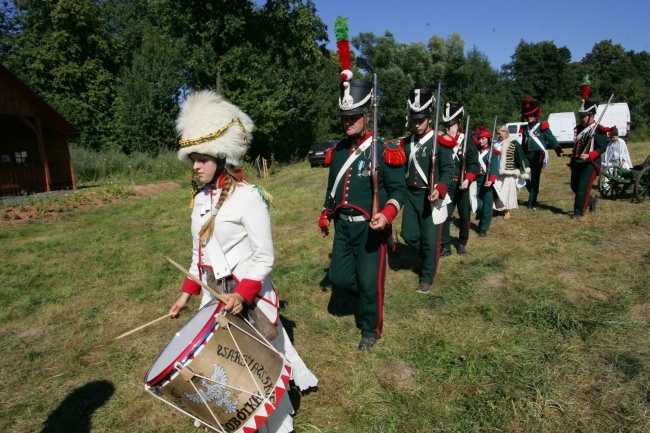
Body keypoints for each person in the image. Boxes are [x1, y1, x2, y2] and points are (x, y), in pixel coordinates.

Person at [168, 90, 317, 432]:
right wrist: (186, 294)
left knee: (257, 369)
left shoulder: (249, 197)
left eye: (202, 158)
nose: (195, 165)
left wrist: (241, 294)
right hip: (213, 299)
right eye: (192, 158)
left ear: (221, 157)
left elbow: (264, 257)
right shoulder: (201, 199)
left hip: (246, 298)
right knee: (226, 373)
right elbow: (199, 254)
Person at [318, 77, 406, 351]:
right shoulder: (340, 150)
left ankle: (370, 330)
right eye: (345, 117)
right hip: (343, 227)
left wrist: (388, 214)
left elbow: (399, 190)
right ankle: (368, 292)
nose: (348, 122)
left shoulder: (384, 149)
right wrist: (326, 211)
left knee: (370, 283)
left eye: (354, 116)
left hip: (371, 229)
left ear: (367, 116)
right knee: (340, 278)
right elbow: (333, 187)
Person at [400, 88, 454, 294]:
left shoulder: (439, 142)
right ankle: (429, 259)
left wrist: (440, 188)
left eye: (421, 120)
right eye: (414, 120)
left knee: (431, 241)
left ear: (429, 119)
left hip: (431, 196)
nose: (416, 123)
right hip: (411, 195)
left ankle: (426, 276)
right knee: (409, 235)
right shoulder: (406, 143)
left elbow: (449, 169)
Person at [439, 102, 478, 256]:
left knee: (464, 215)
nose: (449, 128)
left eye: (452, 125)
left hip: (463, 183)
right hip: (448, 183)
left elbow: (473, 164)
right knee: (445, 215)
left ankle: (462, 243)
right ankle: (446, 245)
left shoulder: (466, 140)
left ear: (458, 124)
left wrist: (468, 179)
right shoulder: (441, 141)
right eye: (447, 125)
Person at [520, 98, 564, 210]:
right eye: (528, 115)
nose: (529, 117)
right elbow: (523, 142)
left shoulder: (542, 126)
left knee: (535, 178)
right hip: (526, 155)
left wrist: (558, 149)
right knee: (521, 174)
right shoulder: (525, 128)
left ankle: (531, 202)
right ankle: (534, 191)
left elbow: (551, 139)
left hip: (538, 155)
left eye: (531, 115)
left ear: (535, 115)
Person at [569, 96, 609, 219]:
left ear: (591, 115)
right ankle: (591, 201)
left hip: (591, 164)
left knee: (582, 187)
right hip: (578, 162)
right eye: (580, 116)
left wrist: (589, 155)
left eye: (584, 116)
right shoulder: (581, 128)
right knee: (574, 186)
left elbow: (602, 147)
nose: (581, 118)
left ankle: (578, 211)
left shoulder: (598, 130)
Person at [493, 125, 530, 220]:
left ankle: (507, 211)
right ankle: (497, 207)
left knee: (508, 191)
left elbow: (520, 157)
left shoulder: (514, 143)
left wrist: (522, 170)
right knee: (498, 189)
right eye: (497, 133)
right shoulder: (496, 143)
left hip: (509, 170)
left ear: (505, 132)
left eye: (500, 133)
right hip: (497, 170)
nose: (498, 135)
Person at [474, 126, 499, 236]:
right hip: (476, 180)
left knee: (487, 205)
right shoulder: (475, 151)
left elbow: (494, 167)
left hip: (487, 179)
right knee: (478, 204)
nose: (481, 140)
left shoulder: (492, 153)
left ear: (488, 139)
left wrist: (491, 180)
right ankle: (480, 215)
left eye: (483, 138)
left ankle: (483, 228)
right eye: (479, 138)